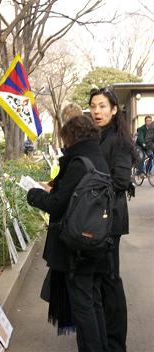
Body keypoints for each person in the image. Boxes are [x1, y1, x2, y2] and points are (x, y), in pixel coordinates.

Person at [27, 115, 109, 352]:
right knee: (93, 301)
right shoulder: (97, 157)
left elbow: (57, 204)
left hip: (76, 245)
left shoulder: (77, 163)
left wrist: (33, 194)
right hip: (95, 239)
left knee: (83, 306)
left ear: (72, 137)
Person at [89, 86, 134, 352]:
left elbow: (120, 180)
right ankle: (103, 335)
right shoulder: (98, 136)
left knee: (110, 279)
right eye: (94, 106)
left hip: (109, 218)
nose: (97, 111)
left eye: (103, 106)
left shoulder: (118, 138)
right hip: (96, 219)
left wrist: (88, 191)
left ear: (114, 109)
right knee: (101, 278)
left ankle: (116, 344)